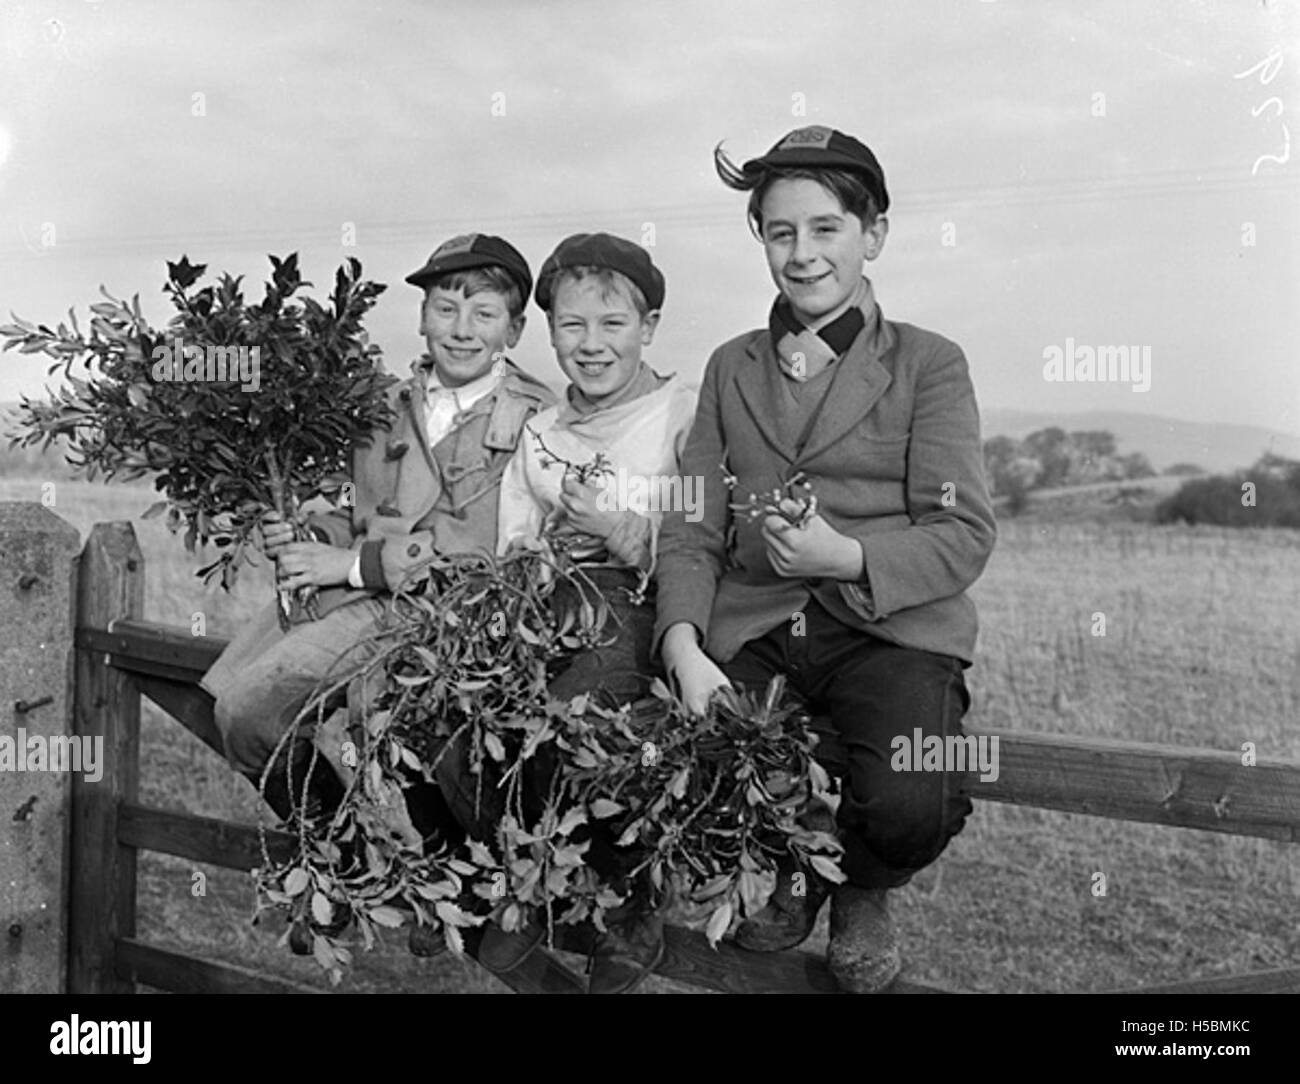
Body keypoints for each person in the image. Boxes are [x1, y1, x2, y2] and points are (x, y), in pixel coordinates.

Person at [653, 125, 997, 993]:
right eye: (780, 233)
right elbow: (692, 523)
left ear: (872, 234)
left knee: (916, 797)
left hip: (890, 630)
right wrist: (684, 646)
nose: (801, 255)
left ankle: (856, 882)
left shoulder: (931, 364)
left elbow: (963, 534)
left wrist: (845, 554)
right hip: (760, 622)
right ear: (761, 240)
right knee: (664, 753)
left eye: (825, 229)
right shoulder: (731, 367)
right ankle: (783, 855)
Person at [200, 233, 555, 853]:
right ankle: (336, 857)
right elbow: (358, 508)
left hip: (449, 622)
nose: (462, 329)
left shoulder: (534, 420)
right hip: (357, 604)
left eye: (485, 313)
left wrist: (357, 563)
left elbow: (499, 560)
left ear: (516, 330)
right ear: (421, 318)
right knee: (243, 715)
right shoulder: (382, 405)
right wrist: (310, 535)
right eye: (445, 309)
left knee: (387, 742)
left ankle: (419, 869)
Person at [435, 232, 697, 992]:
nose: (591, 346)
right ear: (548, 333)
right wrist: (531, 564)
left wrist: (623, 530)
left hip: (641, 603)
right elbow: (514, 532)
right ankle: (521, 886)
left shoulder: (680, 416)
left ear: (647, 327)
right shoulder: (542, 432)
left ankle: (629, 903)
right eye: (571, 327)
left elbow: (707, 537)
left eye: (613, 325)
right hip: (544, 602)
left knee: (583, 712)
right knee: (460, 717)